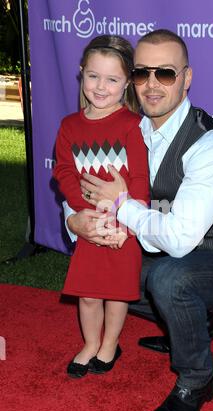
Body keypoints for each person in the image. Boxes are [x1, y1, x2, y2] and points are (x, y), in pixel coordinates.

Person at [65, 29, 213, 411]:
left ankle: (198, 379)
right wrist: (75, 223)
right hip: (168, 253)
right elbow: (85, 185)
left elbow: (176, 240)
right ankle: (192, 323)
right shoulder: (130, 129)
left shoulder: (210, 147)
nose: (152, 85)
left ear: (186, 79)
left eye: (166, 74)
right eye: (141, 73)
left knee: (170, 280)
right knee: (99, 270)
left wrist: (122, 203)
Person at [53, 35, 149, 379]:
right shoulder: (69, 126)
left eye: (112, 79)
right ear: (81, 74)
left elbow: (140, 178)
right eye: (94, 76)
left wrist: (126, 225)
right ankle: (90, 343)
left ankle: (110, 343)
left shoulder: (133, 126)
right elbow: (63, 171)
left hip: (122, 228)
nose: (101, 86)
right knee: (89, 294)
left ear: (126, 84)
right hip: (90, 224)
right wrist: (84, 215)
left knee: (116, 294)